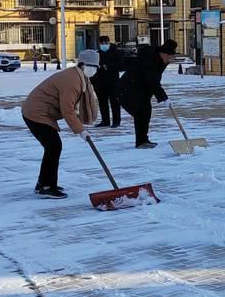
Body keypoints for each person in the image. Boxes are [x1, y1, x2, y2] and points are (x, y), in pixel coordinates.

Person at [21, 48, 100, 198]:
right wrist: (80, 130)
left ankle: (45, 183)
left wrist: (79, 126)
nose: (94, 70)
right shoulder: (73, 80)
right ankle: (46, 186)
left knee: (53, 147)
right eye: (92, 66)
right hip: (36, 112)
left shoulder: (78, 77)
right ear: (82, 65)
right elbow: (67, 110)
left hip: (40, 111)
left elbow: (69, 107)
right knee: (53, 146)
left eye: (96, 67)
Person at [118, 39, 177, 148]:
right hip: (128, 89)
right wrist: (163, 97)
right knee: (142, 112)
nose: (170, 60)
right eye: (169, 57)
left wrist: (161, 96)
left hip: (140, 89)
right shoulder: (150, 60)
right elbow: (152, 81)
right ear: (163, 54)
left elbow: (154, 80)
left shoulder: (159, 59)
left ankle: (143, 140)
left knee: (144, 112)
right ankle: (141, 141)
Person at [92, 35, 123, 128]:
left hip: (113, 82)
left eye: (106, 43)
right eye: (102, 43)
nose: (104, 45)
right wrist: (93, 80)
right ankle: (105, 121)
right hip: (100, 83)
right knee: (102, 102)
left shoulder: (116, 53)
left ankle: (116, 121)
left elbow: (122, 66)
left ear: (109, 42)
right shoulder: (96, 54)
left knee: (114, 102)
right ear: (99, 44)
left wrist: (109, 66)